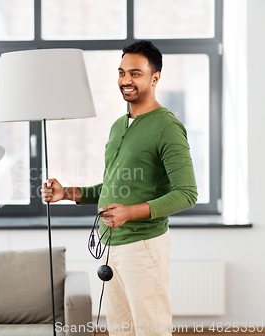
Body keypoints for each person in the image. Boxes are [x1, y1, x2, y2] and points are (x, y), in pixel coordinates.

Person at [41, 40, 197, 336]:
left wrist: (130, 213)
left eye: (135, 73)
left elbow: (187, 193)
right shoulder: (118, 126)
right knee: (120, 330)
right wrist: (67, 193)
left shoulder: (167, 126)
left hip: (143, 247)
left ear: (155, 77)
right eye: (122, 72)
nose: (126, 80)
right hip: (113, 246)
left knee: (151, 330)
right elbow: (112, 187)